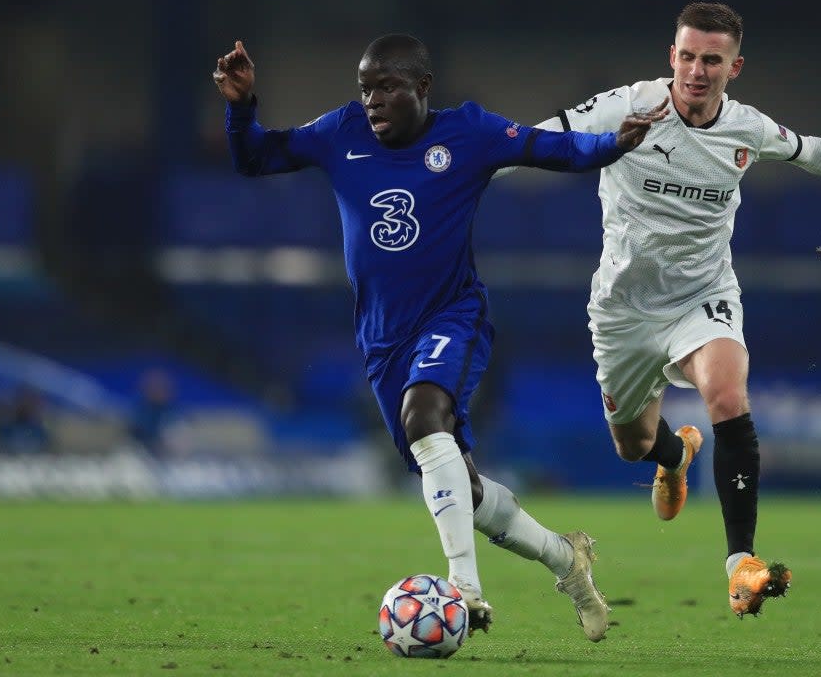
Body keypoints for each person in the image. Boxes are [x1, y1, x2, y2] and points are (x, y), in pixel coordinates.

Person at [499, 2, 821, 618]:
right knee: (633, 445)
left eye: (712, 59)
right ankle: (674, 458)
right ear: (672, 58)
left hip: (701, 297)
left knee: (727, 396)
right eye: (687, 56)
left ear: (734, 66)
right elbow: (537, 138)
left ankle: (742, 564)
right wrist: (461, 172)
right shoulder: (630, 105)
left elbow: (814, 150)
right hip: (623, 311)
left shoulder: (747, 129)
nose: (697, 70)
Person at [213, 35, 665, 641]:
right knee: (465, 489)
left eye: (387, 87)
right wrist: (242, 106)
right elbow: (254, 158)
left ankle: (464, 590)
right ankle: (567, 560)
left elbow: (552, 149)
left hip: (453, 314)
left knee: (425, 418)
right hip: (381, 340)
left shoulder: (469, 133)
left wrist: (612, 143)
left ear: (422, 89)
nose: (372, 100)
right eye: (365, 88)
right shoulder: (339, 131)